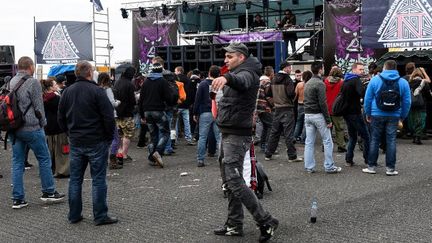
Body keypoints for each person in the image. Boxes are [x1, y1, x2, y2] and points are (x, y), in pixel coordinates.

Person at [211, 42, 278, 242]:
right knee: (230, 180)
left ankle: (266, 220)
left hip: (236, 135)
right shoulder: (242, 70)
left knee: (233, 179)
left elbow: (241, 82)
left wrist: (227, 77)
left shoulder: (248, 73)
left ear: (240, 57)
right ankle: (234, 224)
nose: (225, 60)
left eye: (229, 57)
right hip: (229, 131)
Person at [58, 60, 118, 225]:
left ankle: (74, 214)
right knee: (98, 179)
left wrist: (69, 133)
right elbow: (108, 117)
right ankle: (100, 215)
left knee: (75, 179)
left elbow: (60, 117)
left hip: (77, 141)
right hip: (96, 140)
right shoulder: (97, 92)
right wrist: (107, 138)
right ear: (90, 73)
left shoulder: (67, 92)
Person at [9, 56, 65, 209]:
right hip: (32, 127)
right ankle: (48, 192)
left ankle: (18, 199)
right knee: (44, 158)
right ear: (30, 67)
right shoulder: (32, 82)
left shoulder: (12, 81)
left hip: (15, 128)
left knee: (17, 162)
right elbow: (38, 107)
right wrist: (43, 124)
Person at [363, 60, 411, 176]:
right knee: (391, 141)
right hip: (394, 115)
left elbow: (367, 99)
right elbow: (407, 102)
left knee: (374, 140)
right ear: (395, 69)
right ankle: (390, 169)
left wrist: (368, 114)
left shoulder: (375, 80)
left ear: (384, 67)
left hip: (376, 114)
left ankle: (371, 167)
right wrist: (402, 116)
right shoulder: (403, 82)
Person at [303, 61, 342, 174]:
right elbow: (322, 103)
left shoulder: (308, 82)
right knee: (328, 141)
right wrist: (328, 120)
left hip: (308, 114)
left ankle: (309, 167)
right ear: (320, 69)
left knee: (309, 142)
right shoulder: (320, 84)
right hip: (318, 115)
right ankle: (329, 166)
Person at [265, 61, 303, 163]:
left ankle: (268, 154)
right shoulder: (287, 79)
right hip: (287, 108)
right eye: (290, 67)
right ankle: (292, 156)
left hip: (277, 108)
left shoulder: (273, 79)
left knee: (275, 132)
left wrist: (273, 104)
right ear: (286, 68)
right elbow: (291, 93)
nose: (291, 69)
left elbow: (268, 94)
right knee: (288, 134)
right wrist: (293, 97)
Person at [138, 63, 173, 168]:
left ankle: (151, 158)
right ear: (160, 71)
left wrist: (142, 115)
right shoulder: (162, 81)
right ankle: (158, 152)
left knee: (153, 135)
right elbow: (169, 98)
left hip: (147, 112)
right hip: (158, 110)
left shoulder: (146, 82)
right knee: (165, 132)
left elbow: (141, 99)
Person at [193, 65, 221, 167]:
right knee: (219, 137)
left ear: (209, 73)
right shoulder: (220, 84)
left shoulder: (203, 84)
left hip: (205, 112)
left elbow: (197, 100)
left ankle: (200, 160)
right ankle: (221, 158)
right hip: (218, 113)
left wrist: (195, 113)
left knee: (202, 137)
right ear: (218, 74)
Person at [41, 78, 70, 178]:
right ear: (51, 87)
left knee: (50, 150)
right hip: (58, 126)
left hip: (48, 126)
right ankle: (62, 170)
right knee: (61, 150)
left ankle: (50, 169)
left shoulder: (43, 98)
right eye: (55, 84)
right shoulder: (57, 98)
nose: (57, 86)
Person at [98, 72, 123, 169]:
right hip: (110, 116)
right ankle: (113, 160)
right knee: (116, 138)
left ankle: (102, 161)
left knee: (104, 140)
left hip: (100, 117)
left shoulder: (97, 89)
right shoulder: (108, 90)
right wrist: (118, 102)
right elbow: (112, 103)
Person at [113, 66, 137, 163]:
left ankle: (119, 152)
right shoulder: (130, 84)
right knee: (128, 134)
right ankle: (124, 154)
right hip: (127, 112)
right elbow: (132, 100)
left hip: (117, 112)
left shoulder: (117, 82)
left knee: (119, 134)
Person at [324, 68, 347, 153]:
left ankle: (325, 146)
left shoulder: (325, 81)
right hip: (337, 108)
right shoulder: (342, 82)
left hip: (327, 108)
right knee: (339, 129)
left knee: (327, 129)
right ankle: (341, 146)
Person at [407, 68, 431, 145]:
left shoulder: (409, 83)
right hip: (422, 104)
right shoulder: (424, 82)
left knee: (412, 120)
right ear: (421, 74)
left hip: (411, 104)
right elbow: (428, 94)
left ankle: (414, 136)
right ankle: (417, 136)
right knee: (421, 120)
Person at [175, 66, 195, 145]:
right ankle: (189, 138)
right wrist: (189, 103)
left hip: (177, 104)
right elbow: (190, 93)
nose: (175, 72)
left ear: (179, 71)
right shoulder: (188, 80)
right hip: (186, 105)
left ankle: (175, 139)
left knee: (175, 123)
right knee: (187, 122)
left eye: (175, 71)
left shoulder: (175, 80)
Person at [256, 68, 274, 151]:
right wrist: (273, 105)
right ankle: (267, 146)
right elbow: (268, 96)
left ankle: (263, 144)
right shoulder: (267, 82)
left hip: (259, 107)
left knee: (266, 126)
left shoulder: (259, 81)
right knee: (271, 125)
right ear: (271, 73)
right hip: (265, 107)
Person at [294, 71, 312, 143]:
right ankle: (303, 138)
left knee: (299, 121)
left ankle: (295, 136)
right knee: (306, 123)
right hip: (308, 105)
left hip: (300, 104)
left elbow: (295, 96)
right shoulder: (310, 85)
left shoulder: (299, 84)